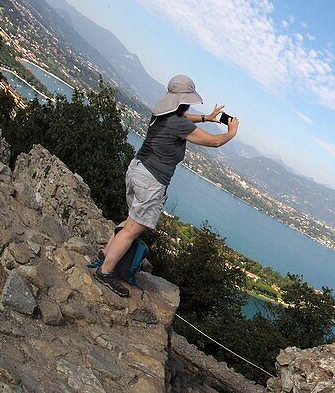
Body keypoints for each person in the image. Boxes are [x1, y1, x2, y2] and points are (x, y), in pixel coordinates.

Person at [94, 74, 239, 297]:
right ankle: (105, 272)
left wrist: (207, 118)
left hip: (137, 168)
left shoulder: (162, 112)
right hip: (152, 179)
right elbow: (214, 141)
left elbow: (183, 117)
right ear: (185, 99)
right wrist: (230, 133)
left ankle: (106, 254)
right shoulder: (178, 123)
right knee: (134, 228)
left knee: (131, 218)